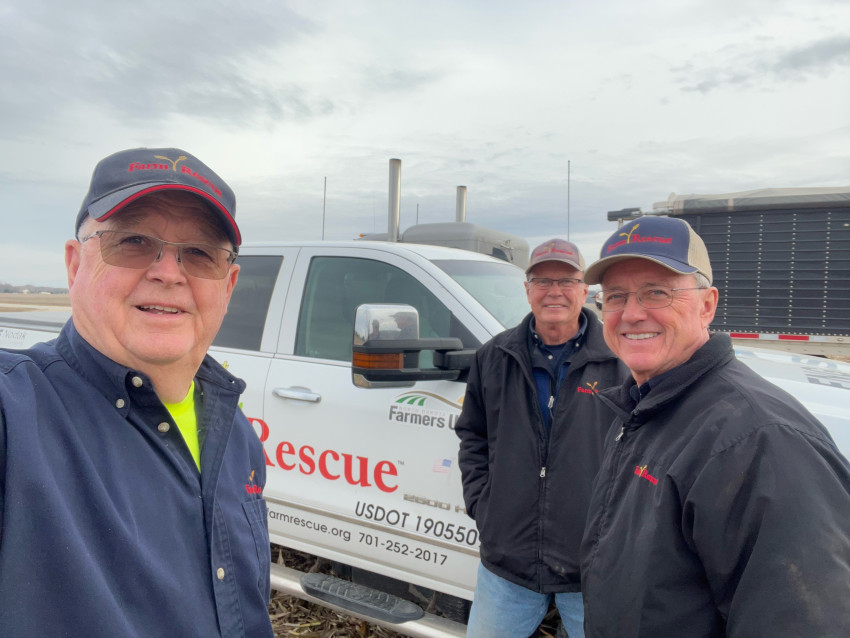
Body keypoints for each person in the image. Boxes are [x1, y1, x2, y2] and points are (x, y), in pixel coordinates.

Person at [0, 148, 274, 637]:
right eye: (132, 242)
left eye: (199, 253)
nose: (169, 272)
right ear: (73, 264)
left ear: (228, 284)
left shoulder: (238, 438)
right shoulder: (17, 413)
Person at [580, 216, 850, 637]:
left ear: (707, 305)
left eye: (657, 292)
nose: (631, 314)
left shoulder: (759, 439)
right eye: (615, 297)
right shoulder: (646, 407)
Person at [455, 239, 630, 638]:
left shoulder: (621, 360)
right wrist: (485, 507)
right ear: (527, 288)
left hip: (593, 567)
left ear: (585, 290)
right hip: (508, 563)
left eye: (567, 280)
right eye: (542, 280)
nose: (555, 291)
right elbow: (473, 436)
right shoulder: (494, 357)